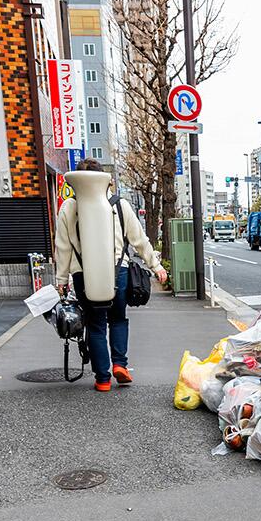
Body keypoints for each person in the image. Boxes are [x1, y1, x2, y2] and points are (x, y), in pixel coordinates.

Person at [52, 160, 167, 392]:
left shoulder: (69, 208)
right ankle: (120, 365)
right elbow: (139, 239)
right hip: (118, 272)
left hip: (83, 275)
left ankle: (103, 379)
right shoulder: (119, 205)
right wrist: (156, 266)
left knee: (95, 325)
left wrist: (61, 279)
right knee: (118, 319)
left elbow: (62, 247)